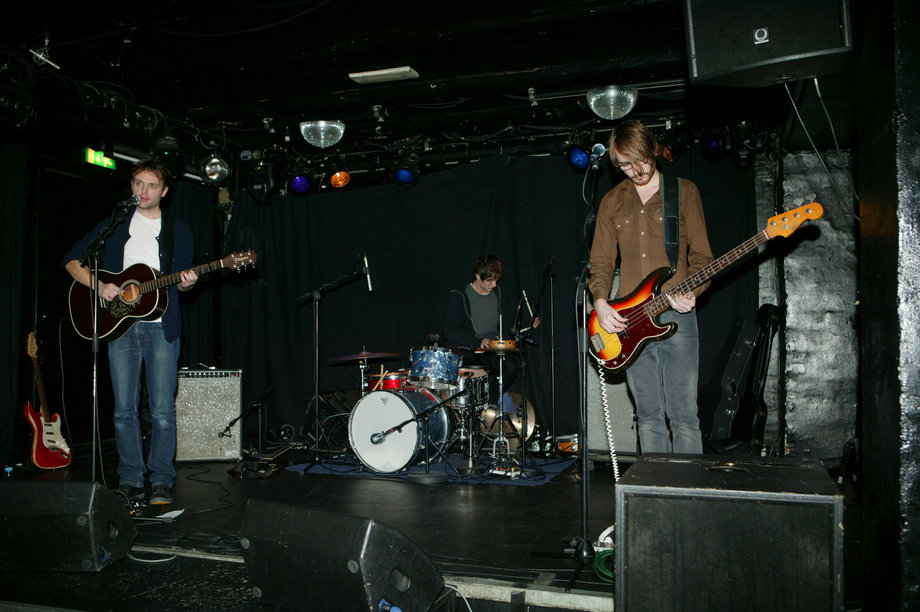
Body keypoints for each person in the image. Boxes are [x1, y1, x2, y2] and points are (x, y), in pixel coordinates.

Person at [64, 158, 197, 505]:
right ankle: (130, 479)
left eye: (152, 185)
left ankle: (162, 480)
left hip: (161, 329)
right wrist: (99, 285)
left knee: (162, 411)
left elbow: (182, 283)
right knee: (123, 410)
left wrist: (187, 283)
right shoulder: (117, 223)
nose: (143, 191)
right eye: (138, 183)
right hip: (118, 327)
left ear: (164, 192)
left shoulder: (178, 229)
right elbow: (72, 259)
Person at [588, 119, 714, 454]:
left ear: (653, 150)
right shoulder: (612, 201)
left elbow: (703, 258)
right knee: (648, 416)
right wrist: (601, 302)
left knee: (684, 416)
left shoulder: (684, 192)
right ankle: (654, 486)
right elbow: (601, 262)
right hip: (629, 321)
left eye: (639, 161)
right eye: (624, 165)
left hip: (677, 315)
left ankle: (688, 485)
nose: (634, 171)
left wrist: (692, 292)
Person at [445, 255, 524, 407]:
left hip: (490, 349)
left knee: (511, 366)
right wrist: (477, 342)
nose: (494, 284)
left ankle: (489, 402)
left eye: (496, 280)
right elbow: (451, 331)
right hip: (468, 349)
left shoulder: (498, 293)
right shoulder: (460, 295)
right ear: (477, 276)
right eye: (489, 280)